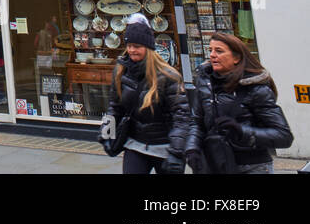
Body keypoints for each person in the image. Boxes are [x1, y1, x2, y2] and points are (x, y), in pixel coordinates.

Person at [186, 32, 292, 174]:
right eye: (210, 50)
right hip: (215, 163)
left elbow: (283, 136)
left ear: (236, 58)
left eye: (219, 51)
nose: (212, 55)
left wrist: (242, 132)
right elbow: (197, 122)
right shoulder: (205, 83)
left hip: (251, 166)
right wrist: (192, 149)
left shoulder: (256, 89)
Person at [106, 19, 189, 174]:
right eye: (129, 45)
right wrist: (106, 133)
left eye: (137, 46)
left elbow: (181, 116)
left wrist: (177, 152)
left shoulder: (168, 76)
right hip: (135, 144)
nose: (131, 50)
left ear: (149, 48)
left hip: (165, 148)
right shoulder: (121, 71)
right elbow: (114, 107)